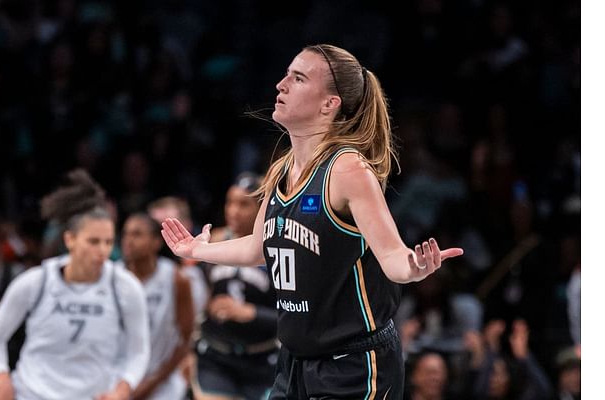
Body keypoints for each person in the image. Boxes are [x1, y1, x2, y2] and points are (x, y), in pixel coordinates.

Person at [160, 44, 464, 399]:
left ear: (329, 104)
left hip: (354, 365)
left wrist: (415, 268)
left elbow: (394, 259)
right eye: (287, 74)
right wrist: (200, 249)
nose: (280, 85)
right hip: (295, 363)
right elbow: (260, 246)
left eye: (298, 78)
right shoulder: (281, 169)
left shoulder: (348, 170)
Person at [0, 169, 150, 400]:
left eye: (108, 242)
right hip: (32, 393)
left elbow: (139, 350)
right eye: (93, 241)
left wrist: (122, 388)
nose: (102, 251)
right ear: (70, 239)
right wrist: (2, 381)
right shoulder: (36, 281)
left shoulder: (125, 287)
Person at [194, 172, 278, 400]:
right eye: (230, 202)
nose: (233, 211)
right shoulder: (210, 245)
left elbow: (294, 314)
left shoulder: (277, 248)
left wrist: (251, 313)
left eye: (243, 204)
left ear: (261, 208)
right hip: (216, 356)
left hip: (263, 358)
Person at [120, 213, 195, 400]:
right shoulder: (113, 278)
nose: (128, 240)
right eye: (126, 234)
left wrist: (152, 383)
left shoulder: (176, 279)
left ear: (156, 242)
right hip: (118, 377)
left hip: (161, 380)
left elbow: (186, 339)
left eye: (137, 234)